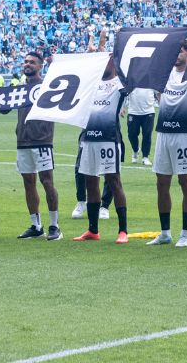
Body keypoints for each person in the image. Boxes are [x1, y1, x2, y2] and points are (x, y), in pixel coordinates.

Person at [147, 37, 187, 248]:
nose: (176, 54)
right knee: (161, 183)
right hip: (163, 133)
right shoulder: (166, 72)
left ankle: (185, 233)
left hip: (185, 134)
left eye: (181, 51)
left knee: (186, 183)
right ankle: (165, 232)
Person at [73, 52, 129, 243]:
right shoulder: (92, 82)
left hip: (109, 139)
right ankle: (93, 230)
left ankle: (123, 231)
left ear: (113, 62)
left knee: (114, 181)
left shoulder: (120, 83)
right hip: (89, 139)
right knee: (91, 183)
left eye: (105, 61)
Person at [12, 51, 60, 241]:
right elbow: (3, 109)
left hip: (42, 139)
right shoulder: (19, 89)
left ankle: (55, 225)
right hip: (22, 140)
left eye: (32, 62)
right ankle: (36, 225)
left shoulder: (47, 86)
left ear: (40, 66)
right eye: (25, 62)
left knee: (47, 182)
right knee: (28, 183)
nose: (27, 64)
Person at [123, 84, 156, 166]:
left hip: (148, 112)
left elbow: (158, 93)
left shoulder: (152, 79)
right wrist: (122, 107)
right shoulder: (132, 79)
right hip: (133, 112)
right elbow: (124, 93)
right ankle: (136, 149)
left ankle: (145, 157)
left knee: (147, 135)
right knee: (131, 134)